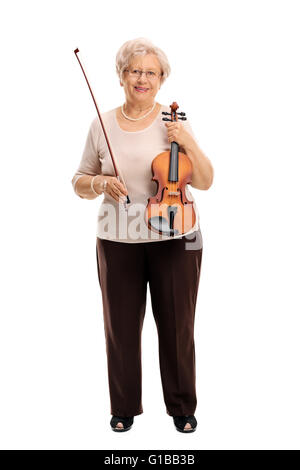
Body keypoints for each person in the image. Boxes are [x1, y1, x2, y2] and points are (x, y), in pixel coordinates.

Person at [71, 37, 214, 433]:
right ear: (121, 76)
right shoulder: (101, 124)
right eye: (135, 70)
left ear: (162, 79)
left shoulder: (174, 125)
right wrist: (100, 182)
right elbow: (78, 181)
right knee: (120, 327)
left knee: (177, 326)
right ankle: (124, 407)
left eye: (151, 72)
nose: (142, 78)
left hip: (176, 238)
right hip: (118, 240)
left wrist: (187, 142)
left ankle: (182, 407)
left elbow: (204, 180)